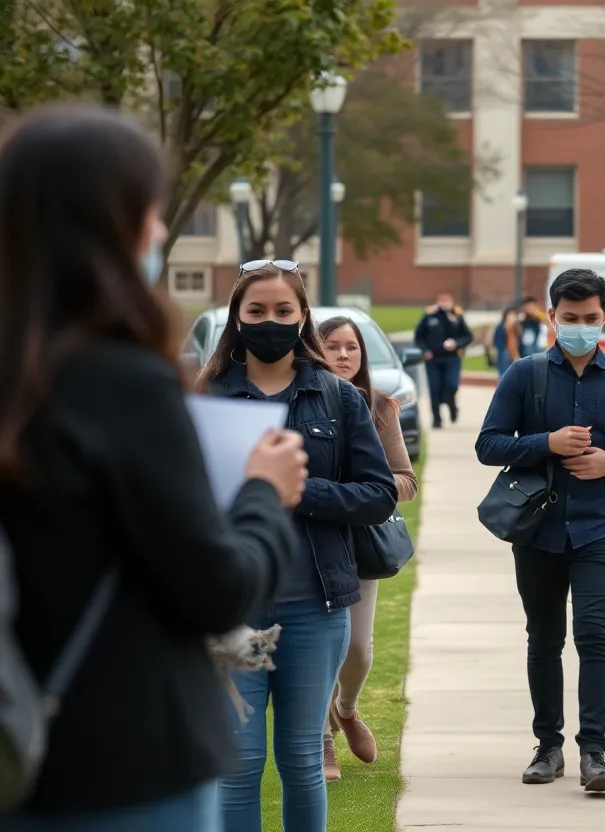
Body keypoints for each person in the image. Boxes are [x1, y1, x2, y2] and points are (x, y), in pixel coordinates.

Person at [0, 105, 305, 830]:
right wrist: (263, 495)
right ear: (110, 224)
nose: (162, 231)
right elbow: (216, 589)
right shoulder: (121, 382)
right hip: (126, 759)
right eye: (152, 211)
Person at [200, 262, 398, 832]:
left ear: (302, 316)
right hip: (232, 607)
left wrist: (298, 490)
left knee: (301, 758)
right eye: (256, 311)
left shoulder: (337, 396)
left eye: (283, 311)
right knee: (238, 766)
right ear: (237, 318)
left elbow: (378, 494)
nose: (270, 322)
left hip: (315, 607)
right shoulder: (209, 398)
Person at [474, 268, 605, 793]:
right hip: (537, 528)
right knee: (543, 637)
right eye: (569, 318)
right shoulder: (524, 373)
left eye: (589, 319)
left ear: (604, 317)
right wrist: (547, 442)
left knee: (593, 635)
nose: (580, 327)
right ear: (552, 317)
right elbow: (488, 445)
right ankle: (548, 746)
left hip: (602, 527)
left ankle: (594, 753)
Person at [317, 316, 419, 782]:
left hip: (360, 540)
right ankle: (321, 741)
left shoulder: (379, 407)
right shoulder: (301, 403)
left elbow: (406, 481)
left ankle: (347, 708)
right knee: (318, 647)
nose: (342, 355)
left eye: (351, 348)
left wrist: (364, 489)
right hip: (311, 541)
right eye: (332, 346)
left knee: (357, 648)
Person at [414, 292, 472, 428]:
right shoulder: (429, 316)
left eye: (448, 301)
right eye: (442, 301)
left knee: (451, 386)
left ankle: (452, 407)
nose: (445, 304)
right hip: (433, 359)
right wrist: (425, 350)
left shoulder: (457, 316)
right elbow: (419, 337)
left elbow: (468, 336)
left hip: (452, 358)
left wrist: (456, 343)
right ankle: (436, 418)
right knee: (434, 388)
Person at [493, 306, 523, 378]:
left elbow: (520, 341)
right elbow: (498, 343)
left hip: (515, 354)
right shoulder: (501, 327)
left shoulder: (518, 327)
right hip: (505, 354)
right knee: (504, 376)